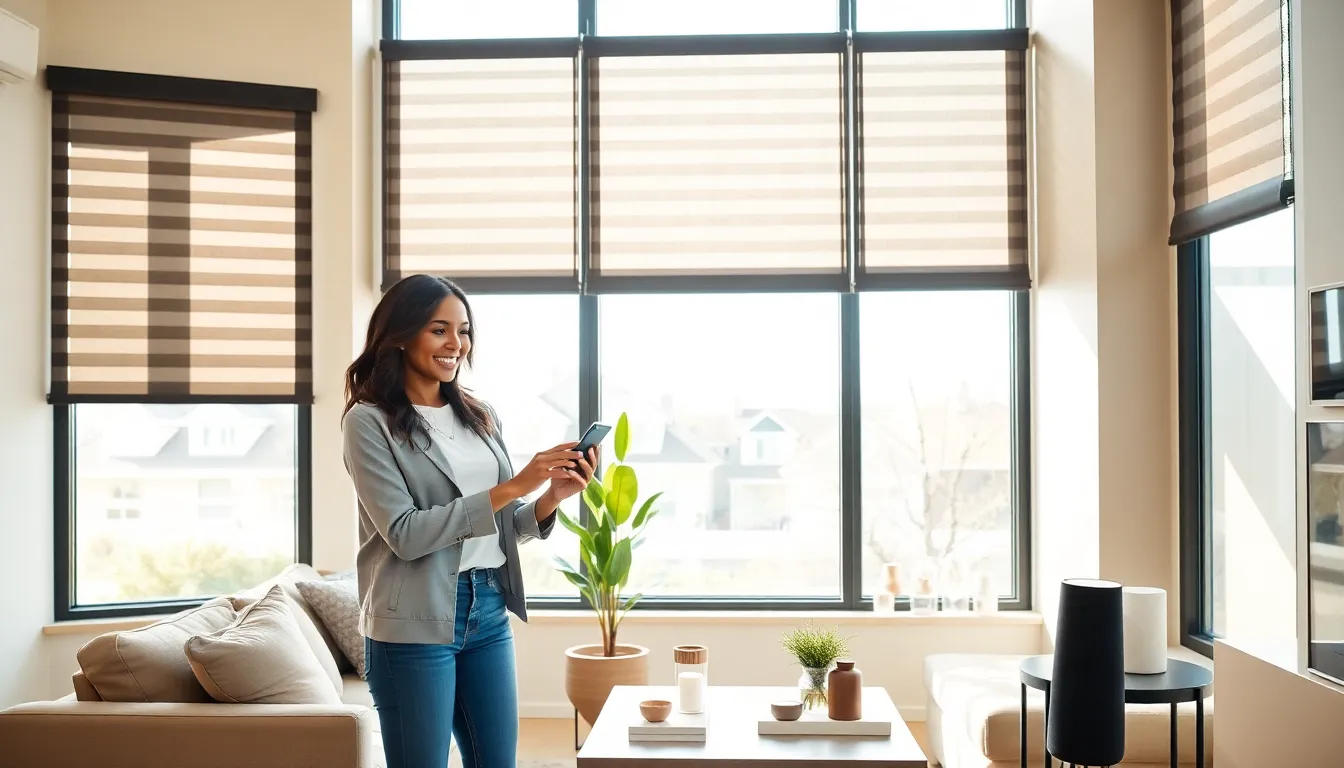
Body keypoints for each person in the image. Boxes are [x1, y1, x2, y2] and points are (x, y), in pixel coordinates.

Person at [342, 274, 597, 768]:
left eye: (464, 331)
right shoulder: (368, 422)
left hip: (488, 611)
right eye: (439, 330)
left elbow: (497, 525)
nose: (455, 344)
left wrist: (548, 499)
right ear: (399, 334)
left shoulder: (479, 415)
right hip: (412, 624)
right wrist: (514, 486)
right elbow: (406, 534)